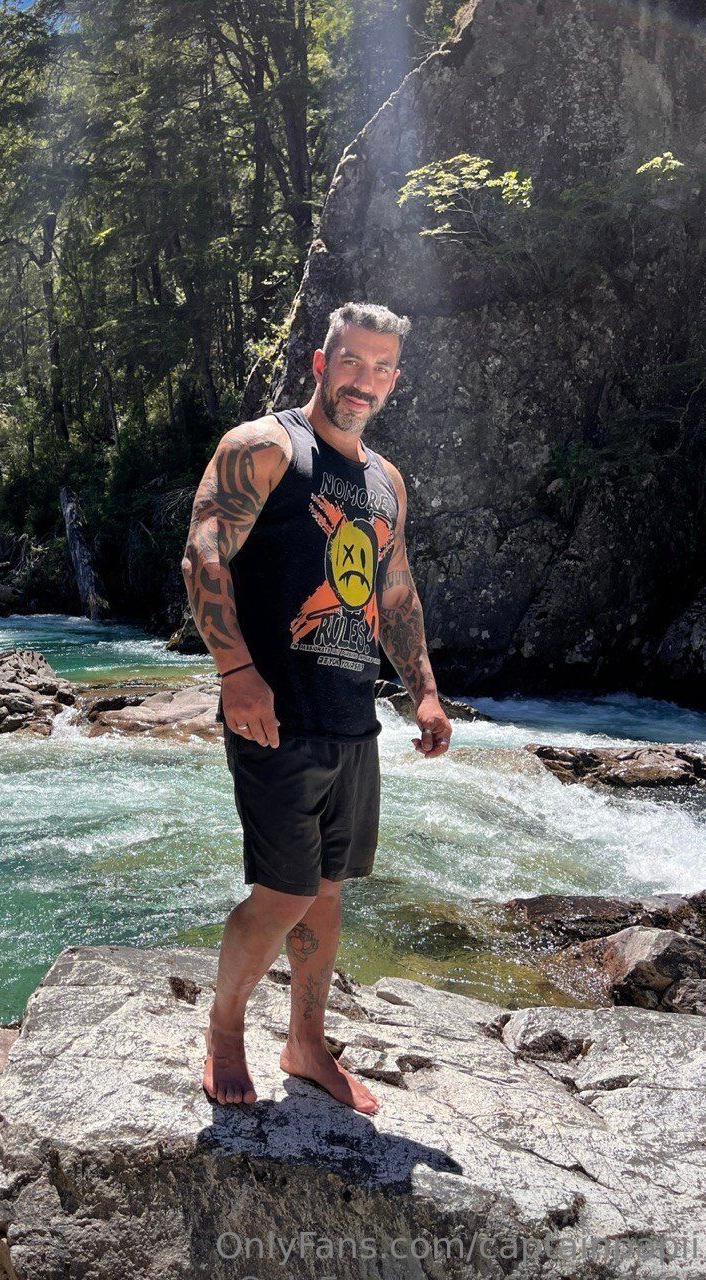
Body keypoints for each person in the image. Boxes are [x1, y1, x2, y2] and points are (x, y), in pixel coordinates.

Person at [180, 301, 452, 1115]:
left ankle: (305, 1043)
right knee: (284, 893)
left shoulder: (385, 481)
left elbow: (394, 592)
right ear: (321, 362)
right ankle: (225, 1031)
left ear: (394, 380)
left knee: (328, 890)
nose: (364, 380)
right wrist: (235, 671)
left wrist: (424, 691)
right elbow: (203, 554)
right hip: (275, 715)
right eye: (352, 362)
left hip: (351, 718)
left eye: (381, 368)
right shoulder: (263, 446)